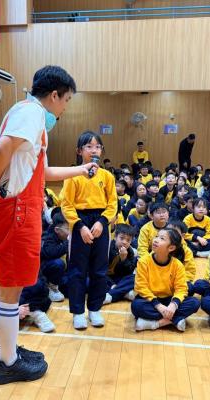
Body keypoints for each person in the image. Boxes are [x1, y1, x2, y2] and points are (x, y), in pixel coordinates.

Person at [0, 65, 96, 385]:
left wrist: (80, 170)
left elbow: (43, 173)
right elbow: (1, 149)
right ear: (54, 95)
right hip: (14, 209)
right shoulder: (31, 112)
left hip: (20, 208)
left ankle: (8, 352)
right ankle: (8, 363)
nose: (65, 108)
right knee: (10, 288)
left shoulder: (33, 119)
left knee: (10, 285)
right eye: (66, 100)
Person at [60, 131, 117, 330]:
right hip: (80, 222)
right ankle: (78, 312)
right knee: (77, 270)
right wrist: (79, 226)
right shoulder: (73, 175)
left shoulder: (107, 176)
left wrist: (102, 222)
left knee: (99, 270)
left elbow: (113, 204)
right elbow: (66, 205)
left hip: (101, 221)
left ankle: (94, 309)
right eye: (89, 146)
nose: (94, 150)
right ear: (79, 151)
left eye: (98, 147)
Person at [131, 228, 201, 331]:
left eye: (162, 238)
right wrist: (158, 306)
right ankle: (175, 319)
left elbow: (181, 289)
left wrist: (173, 305)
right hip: (150, 300)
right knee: (136, 306)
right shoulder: (143, 262)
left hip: (169, 299)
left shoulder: (177, 265)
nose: (156, 240)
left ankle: (156, 323)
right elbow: (141, 287)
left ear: (171, 247)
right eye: (156, 236)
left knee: (194, 303)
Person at [103, 224, 138, 304]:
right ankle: (123, 293)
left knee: (136, 277)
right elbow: (100, 269)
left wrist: (124, 259)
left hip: (118, 278)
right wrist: (112, 285)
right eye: (121, 238)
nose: (124, 242)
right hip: (106, 277)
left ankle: (110, 295)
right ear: (115, 237)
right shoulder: (107, 247)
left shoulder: (130, 252)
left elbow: (128, 272)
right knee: (94, 278)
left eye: (128, 240)